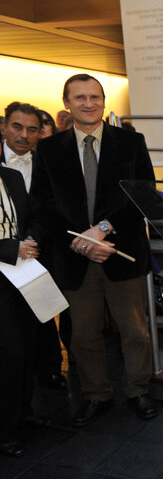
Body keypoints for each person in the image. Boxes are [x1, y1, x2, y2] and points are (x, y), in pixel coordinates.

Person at [31, 74, 159, 428]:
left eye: (95, 96)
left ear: (104, 101)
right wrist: (81, 242)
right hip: (74, 258)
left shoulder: (131, 143)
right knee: (83, 335)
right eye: (80, 97)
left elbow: (145, 196)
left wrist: (102, 231)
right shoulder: (49, 149)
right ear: (67, 103)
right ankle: (96, 394)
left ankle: (137, 389)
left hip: (122, 252)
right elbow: (41, 204)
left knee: (134, 331)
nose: (89, 103)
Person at [2, 102, 68, 393]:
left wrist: (31, 242)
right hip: (2, 255)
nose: (24, 135)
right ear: (4, 127)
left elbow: (46, 209)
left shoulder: (47, 163)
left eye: (32, 129)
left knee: (40, 314)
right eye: (17, 127)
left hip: (37, 251)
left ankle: (48, 370)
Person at [0, 164, 42, 458]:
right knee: (10, 352)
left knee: (29, 344)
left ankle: (23, 412)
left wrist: (29, 241)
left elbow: (31, 218)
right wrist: (10, 248)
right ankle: (4, 431)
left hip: (22, 271)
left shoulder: (11, 176)